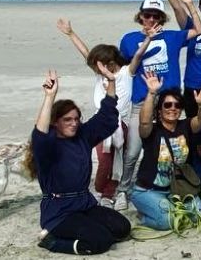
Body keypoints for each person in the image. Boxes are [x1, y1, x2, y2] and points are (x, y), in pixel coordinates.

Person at [28, 68, 132, 255]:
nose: (73, 123)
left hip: (84, 204)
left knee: (122, 228)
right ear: (55, 122)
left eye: (76, 119)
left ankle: (86, 228)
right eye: (67, 120)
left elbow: (107, 116)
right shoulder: (47, 147)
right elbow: (39, 135)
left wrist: (111, 82)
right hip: (59, 212)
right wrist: (50, 96)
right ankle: (51, 241)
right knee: (101, 240)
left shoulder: (82, 135)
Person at [55, 18, 150, 207]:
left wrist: (147, 39)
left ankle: (109, 193)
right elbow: (86, 53)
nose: (98, 69)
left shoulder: (125, 73)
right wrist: (70, 33)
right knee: (104, 160)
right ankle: (100, 190)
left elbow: (138, 56)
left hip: (120, 122)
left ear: (111, 62)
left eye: (102, 65)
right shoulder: (100, 74)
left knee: (118, 159)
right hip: (100, 122)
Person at [117, 0, 201, 207]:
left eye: (156, 16)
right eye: (148, 15)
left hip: (170, 106)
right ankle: (123, 189)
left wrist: (190, 4)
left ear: (162, 18)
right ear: (140, 16)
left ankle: (173, 184)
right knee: (133, 151)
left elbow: (198, 29)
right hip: (142, 102)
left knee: (171, 150)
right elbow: (123, 70)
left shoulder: (172, 36)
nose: (151, 20)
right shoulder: (129, 39)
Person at [132, 73, 201, 231]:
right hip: (148, 190)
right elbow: (144, 121)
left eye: (177, 105)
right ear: (160, 110)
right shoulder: (151, 131)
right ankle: (144, 218)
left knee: (198, 216)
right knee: (168, 221)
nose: (172, 108)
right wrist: (151, 93)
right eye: (167, 105)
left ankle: (162, 209)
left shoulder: (185, 126)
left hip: (178, 188)